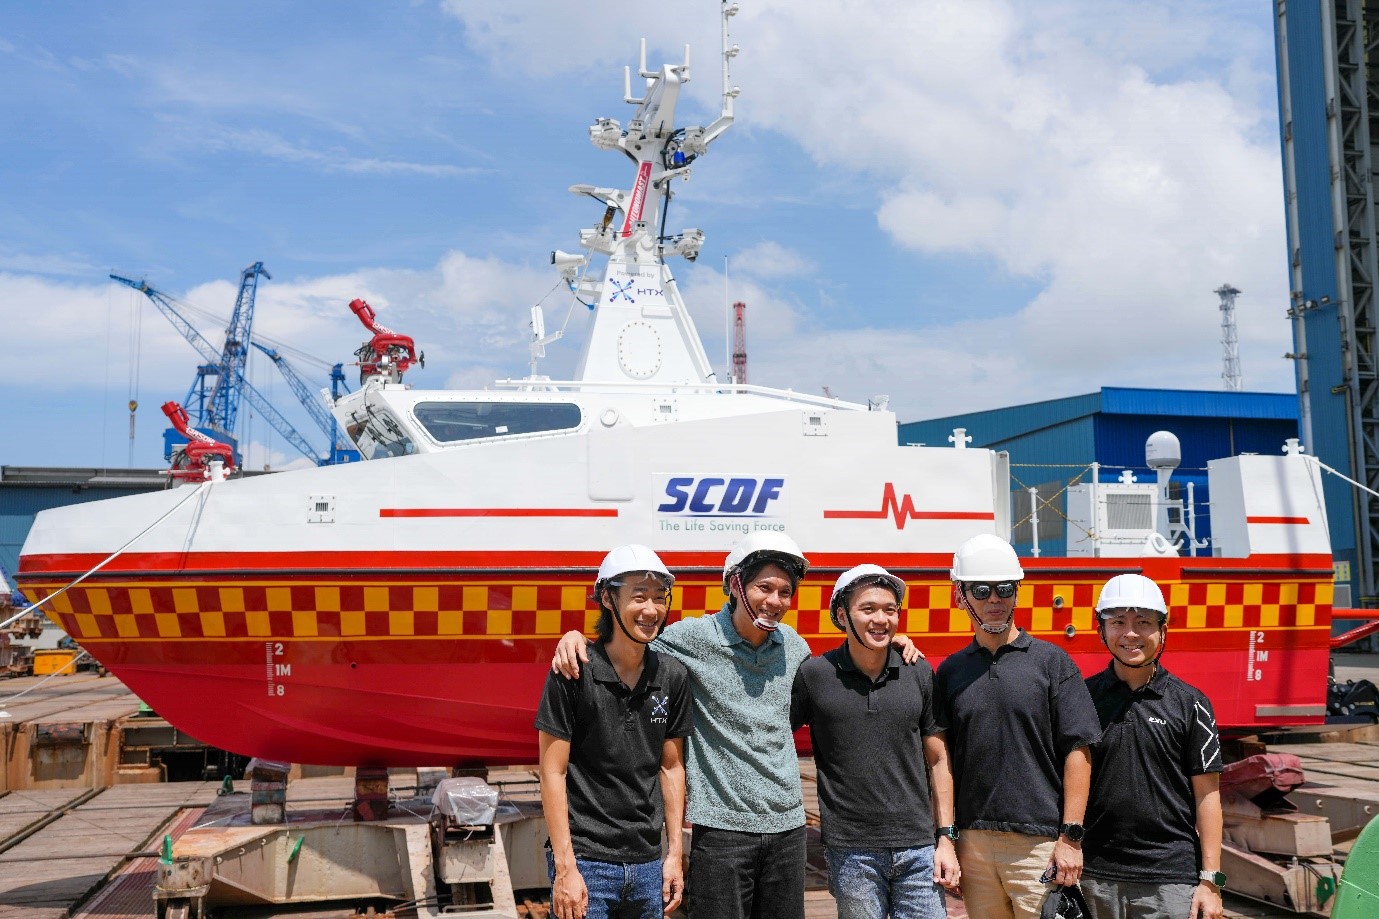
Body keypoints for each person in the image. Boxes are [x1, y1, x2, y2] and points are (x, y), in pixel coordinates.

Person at [551, 532, 923, 919]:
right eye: (764, 587)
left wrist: (888, 645)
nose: (774, 601)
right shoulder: (690, 639)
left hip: (788, 828)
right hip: (721, 830)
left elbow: (842, 673)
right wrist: (577, 638)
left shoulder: (793, 647)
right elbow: (627, 642)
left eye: (784, 592)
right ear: (734, 584)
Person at [934, 533, 1101, 919]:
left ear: (1017, 592)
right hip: (974, 845)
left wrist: (1071, 838)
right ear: (961, 596)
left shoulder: (1051, 663)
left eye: (1004, 588)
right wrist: (948, 839)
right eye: (981, 590)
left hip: (1040, 846)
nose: (994, 599)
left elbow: (1080, 751)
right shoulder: (951, 672)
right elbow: (942, 762)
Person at [791, 564, 960, 919]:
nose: (881, 619)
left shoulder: (918, 671)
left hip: (918, 847)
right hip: (851, 851)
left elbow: (938, 760)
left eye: (890, 610)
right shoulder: (815, 675)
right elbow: (775, 741)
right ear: (842, 614)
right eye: (868, 609)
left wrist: (946, 837)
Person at [536, 544, 692, 919]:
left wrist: (673, 856)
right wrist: (566, 868)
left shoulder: (672, 675)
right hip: (587, 864)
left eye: (659, 598)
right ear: (607, 598)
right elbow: (552, 771)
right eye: (638, 597)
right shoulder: (574, 672)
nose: (651, 610)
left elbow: (670, 768)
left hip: (647, 863)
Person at [1081, 574, 1225, 919]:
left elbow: (1208, 796)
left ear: (1162, 630)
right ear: (1101, 628)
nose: (1131, 634)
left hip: (1169, 879)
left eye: (1143, 622)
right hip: (1092, 874)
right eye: (1118, 622)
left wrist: (1210, 881)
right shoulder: (1081, 699)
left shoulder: (1190, 704)